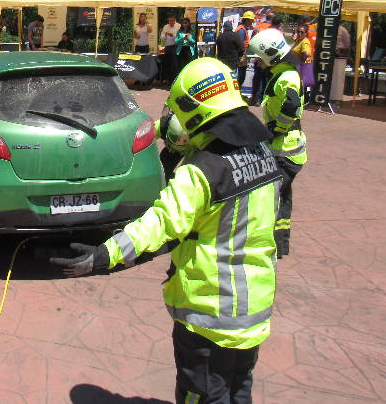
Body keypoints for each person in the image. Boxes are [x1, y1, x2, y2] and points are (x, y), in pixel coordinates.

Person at [50, 57, 281, 403]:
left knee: (203, 395)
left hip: (210, 312)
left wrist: (103, 255)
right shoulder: (263, 153)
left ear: (194, 108)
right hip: (254, 308)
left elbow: (160, 225)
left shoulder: (202, 171)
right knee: (238, 390)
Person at [247, 28, 307, 258]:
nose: (257, 63)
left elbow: (291, 107)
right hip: (284, 149)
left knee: (268, 197)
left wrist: (275, 130)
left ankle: (265, 244)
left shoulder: (287, 77)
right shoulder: (282, 74)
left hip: (285, 150)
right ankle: (280, 245)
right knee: (282, 197)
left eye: (259, 58)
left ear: (271, 55)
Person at [234, 11, 255, 93]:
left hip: (241, 56)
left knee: (241, 76)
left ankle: (237, 92)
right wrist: (242, 57)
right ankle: (237, 93)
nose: (252, 22)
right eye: (251, 20)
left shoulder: (243, 29)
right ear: (246, 20)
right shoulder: (242, 30)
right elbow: (240, 45)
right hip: (240, 57)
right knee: (240, 76)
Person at [160, 15, 180, 85]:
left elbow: (179, 37)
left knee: (174, 65)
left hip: (175, 47)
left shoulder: (178, 26)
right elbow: (162, 38)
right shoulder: (166, 26)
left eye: (171, 20)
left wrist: (173, 36)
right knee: (167, 64)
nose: (170, 22)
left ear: (175, 20)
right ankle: (167, 80)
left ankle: (174, 80)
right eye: (169, 21)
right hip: (167, 47)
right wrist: (165, 35)